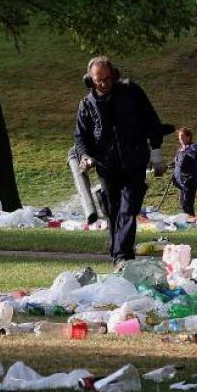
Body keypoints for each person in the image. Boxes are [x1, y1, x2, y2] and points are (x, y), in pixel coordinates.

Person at [73, 56, 167, 268]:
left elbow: (151, 120)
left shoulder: (131, 92)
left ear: (113, 75)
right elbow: (80, 137)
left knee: (128, 209)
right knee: (113, 211)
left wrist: (156, 151)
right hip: (106, 167)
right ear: (90, 80)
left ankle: (121, 256)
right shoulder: (86, 106)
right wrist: (85, 156)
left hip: (134, 162)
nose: (104, 84)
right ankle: (120, 256)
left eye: (107, 79)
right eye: (99, 81)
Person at [172, 127, 197, 216]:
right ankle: (187, 221)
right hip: (182, 182)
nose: (180, 138)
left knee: (187, 204)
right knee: (182, 204)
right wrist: (164, 166)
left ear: (188, 137)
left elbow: (185, 161)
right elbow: (175, 162)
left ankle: (191, 222)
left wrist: (178, 159)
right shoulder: (181, 149)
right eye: (179, 136)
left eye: (182, 136)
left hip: (190, 181)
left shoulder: (193, 148)